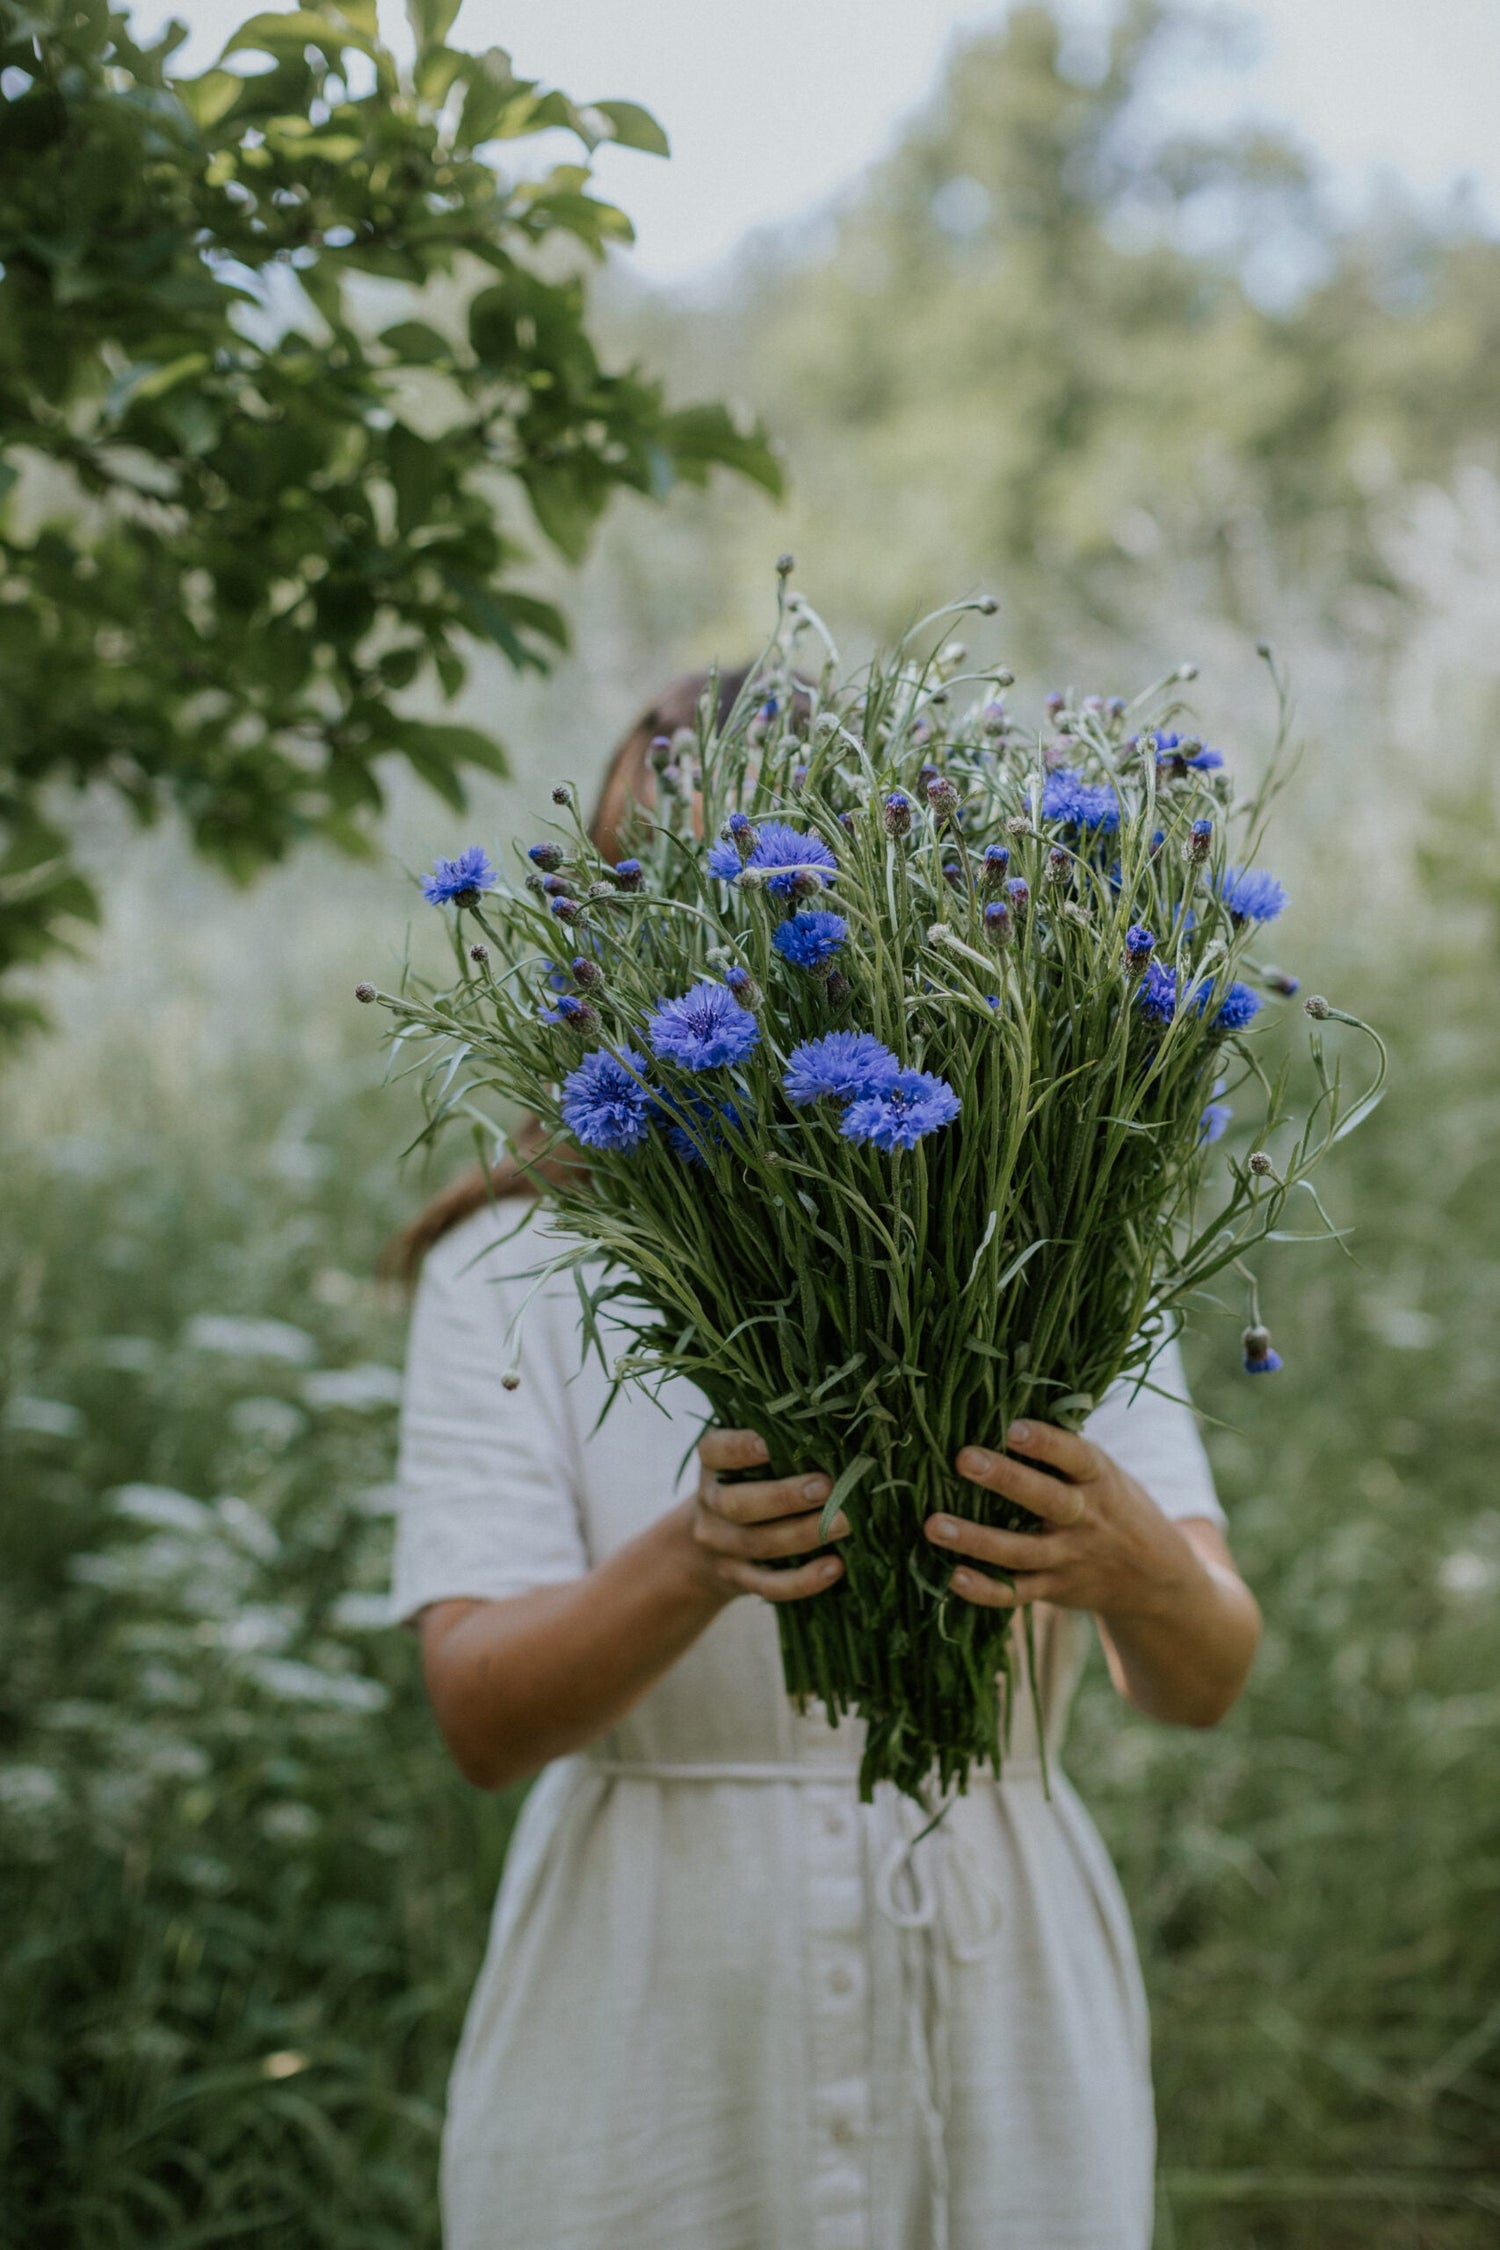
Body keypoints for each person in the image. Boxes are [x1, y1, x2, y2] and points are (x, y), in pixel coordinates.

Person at [389, 670, 1263, 2250]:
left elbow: (1201, 1673)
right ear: (608, 933)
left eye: (782, 880)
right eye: (675, 892)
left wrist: (1131, 1559)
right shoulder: (507, 1266)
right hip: (651, 2011)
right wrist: (698, 1556)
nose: (726, 934)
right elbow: (479, 1711)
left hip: (999, 2012)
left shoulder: (1048, 1211)